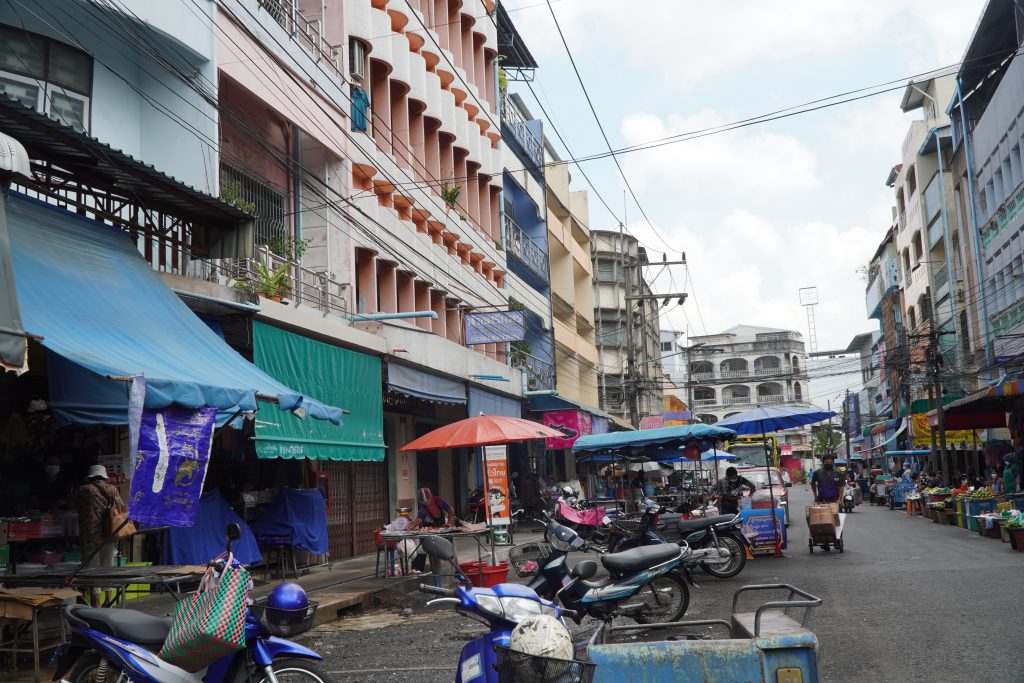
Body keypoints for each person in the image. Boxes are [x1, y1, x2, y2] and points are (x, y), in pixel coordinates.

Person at [74, 465, 124, 606]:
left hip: (90, 535)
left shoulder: (84, 490)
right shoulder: (112, 489)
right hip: (109, 532)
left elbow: (72, 504)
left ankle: (95, 601)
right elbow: (120, 506)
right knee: (107, 566)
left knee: (92, 568)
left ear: (91, 476)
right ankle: (108, 600)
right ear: (104, 476)